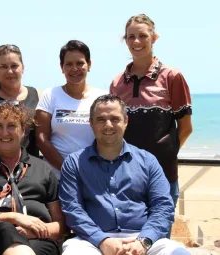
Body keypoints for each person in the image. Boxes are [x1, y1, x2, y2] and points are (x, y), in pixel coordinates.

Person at [59, 94, 190, 255]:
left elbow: (163, 207)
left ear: (126, 121)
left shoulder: (148, 161)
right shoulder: (74, 163)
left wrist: (144, 241)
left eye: (115, 119)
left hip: (143, 238)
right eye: (101, 119)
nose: (108, 125)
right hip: (91, 241)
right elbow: (72, 209)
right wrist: (102, 240)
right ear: (91, 124)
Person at [0, 101, 65, 255]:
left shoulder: (43, 169)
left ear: (23, 131)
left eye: (11, 126)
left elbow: (61, 226)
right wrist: (13, 218)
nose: (4, 133)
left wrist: (33, 230)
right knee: (5, 229)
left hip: (38, 239)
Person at [110, 14, 193, 207]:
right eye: (130, 37)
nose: (136, 41)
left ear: (154, 38)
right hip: (126, 177)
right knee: (129, 235)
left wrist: (166, 153)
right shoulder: (117, 83)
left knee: (160, 236)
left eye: (143, 36)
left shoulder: (172, 77)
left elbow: (186, 127)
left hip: (163, 175)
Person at [36, 40, 106, 179]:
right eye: (68, 64)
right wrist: (67, 169)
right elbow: (41, 139)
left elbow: (109, 137)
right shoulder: (50, 95)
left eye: (80, 63)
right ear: (62, 67)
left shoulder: (102, 97)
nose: (74, 69)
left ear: (89, 64)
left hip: (94, 175)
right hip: (57, 177)